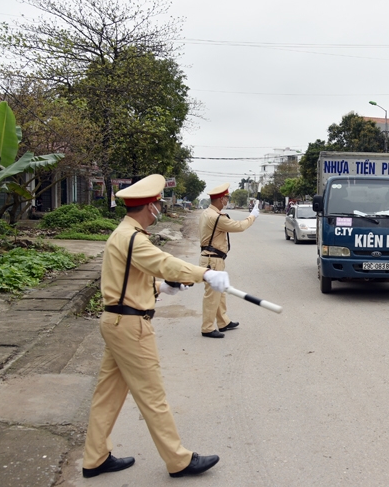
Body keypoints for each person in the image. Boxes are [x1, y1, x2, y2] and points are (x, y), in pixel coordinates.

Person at [82, 174, 230, 479]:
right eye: (158, 203)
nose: (159, 207)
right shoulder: (134, 238)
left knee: (107, 394)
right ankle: (179, 460)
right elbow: (163, 262)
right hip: (131, 327)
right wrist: (204, 274)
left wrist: (162, 289)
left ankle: (95, 457)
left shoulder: (124, 234)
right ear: (149, 207)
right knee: (153, 396)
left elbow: (130, 278)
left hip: (116, 321)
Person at [199, 183, 259, 338]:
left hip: (211, 258)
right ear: (220, 199)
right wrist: (252, 216)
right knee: (212, 295)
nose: (227, 200)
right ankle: (207, 328)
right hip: (213, 260)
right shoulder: (217, 217)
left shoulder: (206, 213)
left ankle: (223, 322)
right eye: (226, 197)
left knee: (220, 292)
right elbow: (239, 226)